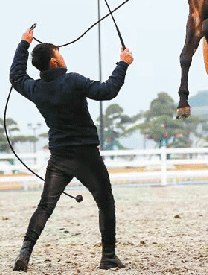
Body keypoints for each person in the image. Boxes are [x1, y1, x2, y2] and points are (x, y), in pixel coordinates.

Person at [9, 27, 134, 271]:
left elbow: (16, 76)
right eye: (59, 53)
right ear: (54, 61)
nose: (63, 56)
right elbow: (108, 91)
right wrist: (123, 64)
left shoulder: (35, 89)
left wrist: (23, 44)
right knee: (105, 202)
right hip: (87, 156)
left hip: (59, 158)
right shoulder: (73, 80)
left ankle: (25, 253)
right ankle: (108, 257)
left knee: (45, 206)